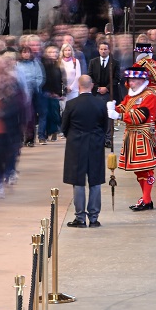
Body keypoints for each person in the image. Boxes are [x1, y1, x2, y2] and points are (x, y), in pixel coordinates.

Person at [62, 74, 109, 228]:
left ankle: (80, 218)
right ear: (92, 85)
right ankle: (94, 218)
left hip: (76, 145)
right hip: (95, 144)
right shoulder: (100, 104)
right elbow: (105, 126)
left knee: (78, 181)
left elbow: (64, 127)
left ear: (78, 86)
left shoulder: (71, 104)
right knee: (95, 181)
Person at [115, 65, 156, 211]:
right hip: (131, 135)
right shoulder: (131, 95)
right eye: (130, 79)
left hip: (143, 135)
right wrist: (112, 108)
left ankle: (147, 200)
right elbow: (124, 106)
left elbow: (140, 116)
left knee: (146, 169)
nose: (131, 83)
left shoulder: (149, 95)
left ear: (142, 80)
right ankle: (145, 198)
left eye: (134, 80)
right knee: (139, 170)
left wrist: (119, 116)